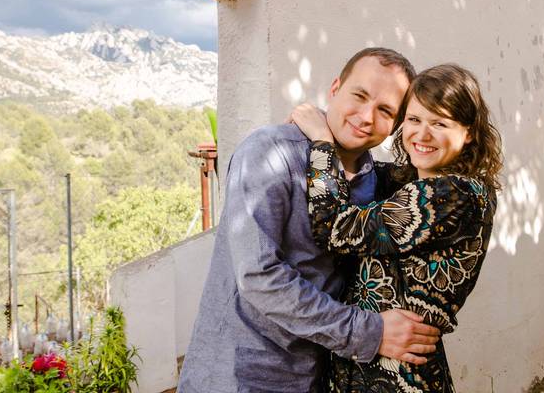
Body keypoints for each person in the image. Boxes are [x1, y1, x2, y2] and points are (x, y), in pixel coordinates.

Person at [179, 48, 443, 393]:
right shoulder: (270, 153)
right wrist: (370, 332)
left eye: (384, 110)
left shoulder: (376, 181)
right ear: (335, 88)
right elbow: (260, 276)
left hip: (314, 376)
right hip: (241, 376)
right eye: (359, 96)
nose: (366, 117)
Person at [291, 63, 503, 392]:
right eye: (414, 119)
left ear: (470, 132)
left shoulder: (453, 194)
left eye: (440, 123)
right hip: (372, 365)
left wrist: (322, 140)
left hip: (395, 376)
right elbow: (371, 172)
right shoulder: (415, 181)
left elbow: (334, 228)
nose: (422, 134)